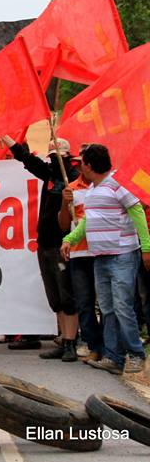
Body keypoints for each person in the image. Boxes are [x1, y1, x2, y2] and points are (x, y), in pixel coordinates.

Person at [61, 144, 150, 374]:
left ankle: (136, 354)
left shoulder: (118, 184)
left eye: (81, 163)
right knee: (109, 309)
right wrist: (70, 238)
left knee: (122, 307)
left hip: (122, 255)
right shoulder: (91, 190)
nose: (79, 167)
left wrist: (147, 247)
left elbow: (137, 212)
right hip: (100, 257)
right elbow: (88, 221)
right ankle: (114, 357)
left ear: (89, 166)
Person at [0, 135, 79, 353]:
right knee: (54, 296)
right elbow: (27, 160)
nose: (55, 161)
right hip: (44, 242)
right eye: (52, 156)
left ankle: (72, 341)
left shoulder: (75, 179)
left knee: (66, 295)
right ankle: (64, 340)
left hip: (62, 243)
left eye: (58, 157)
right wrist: (7, 139)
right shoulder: (50, 175)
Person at [58, 164, 101, 363]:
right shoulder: (71, 188)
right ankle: (92, 346)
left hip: (102, 251)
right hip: (79, 253)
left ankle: (109, 348)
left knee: (107, 305)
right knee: (84, 303)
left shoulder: (105, 186)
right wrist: (64, 204)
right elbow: (64, 224)